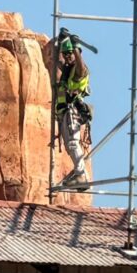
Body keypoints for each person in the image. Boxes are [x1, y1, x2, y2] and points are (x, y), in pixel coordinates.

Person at [51, 28, 96, 191]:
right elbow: (57, 60)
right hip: (64, 111)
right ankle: (80, 173)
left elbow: (80, 66)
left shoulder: (79, 69)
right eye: (66, 54)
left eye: (69, 54)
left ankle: (81, 174)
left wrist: (76, 48)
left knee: (72, 143)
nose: (67, 57)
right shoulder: (67, 69)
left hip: (73, 110)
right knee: (70, 146)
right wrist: (61, 41)